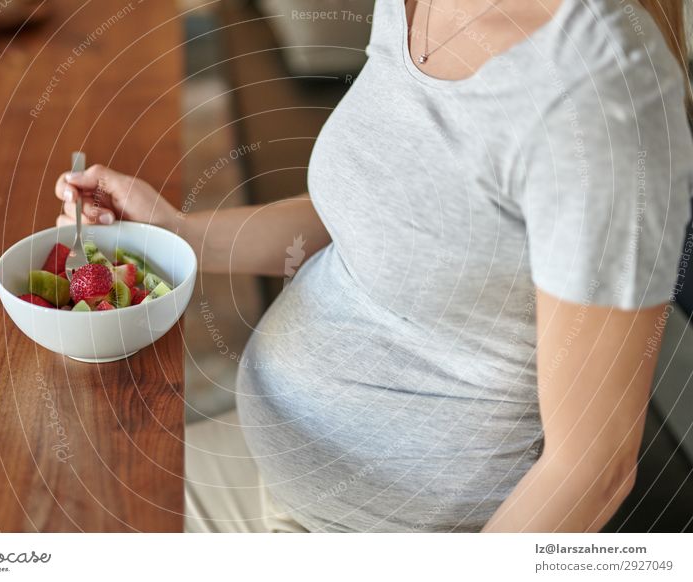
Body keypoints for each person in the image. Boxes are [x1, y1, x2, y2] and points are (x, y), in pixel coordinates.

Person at [55, 0, 693, 532]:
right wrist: (178, 234)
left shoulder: (598, 92)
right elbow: (378, 216)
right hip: (275, 477)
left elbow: (593, 468)